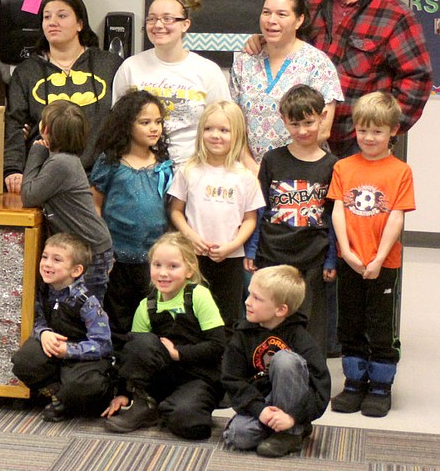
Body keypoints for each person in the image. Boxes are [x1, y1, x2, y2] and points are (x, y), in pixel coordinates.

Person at [245, 0, 432, 155]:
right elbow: (287, 44)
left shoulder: (395, 16)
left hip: (359, 141)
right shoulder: (312, 6)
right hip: (306, 137)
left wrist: (384, 129)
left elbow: (417, 78)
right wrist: (261, 40)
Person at [327, 92, 415, 418]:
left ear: (393, 131)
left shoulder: (400, 171)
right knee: (350, 321)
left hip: (383, 263)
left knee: (379, 324)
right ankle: (353, 382)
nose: (369, 137)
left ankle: (380, 385)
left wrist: (378, 257)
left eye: (377, 131)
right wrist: (347, 251)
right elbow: (338, 210)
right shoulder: (343, 167)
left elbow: (396, 216)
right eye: (363, 130)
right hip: (349, 259)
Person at [101, 233, 226, 439]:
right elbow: (133, 354)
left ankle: (178, 406)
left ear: (189, 270)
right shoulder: (146, 305)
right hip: (163, 377)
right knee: (139, 341)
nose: (163, 273)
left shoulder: (198, 296)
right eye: (157, 265)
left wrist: (178, 354)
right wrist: (123, 392)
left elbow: (217, 345)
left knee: (189, 424)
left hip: (198, 377)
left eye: (172, 266)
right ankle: (145, 404)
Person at [245, 85, 338, 354]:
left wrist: (331, 258)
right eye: (295, 124)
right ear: (283, 120)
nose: (302, 130)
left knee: (310, 326)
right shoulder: (273, 160)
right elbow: (259, 208)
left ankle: (310, 381)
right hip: (272, 254)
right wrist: (252, 249)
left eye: (309, 122)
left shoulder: (333, 165)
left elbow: (332, 218)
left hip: (313, 257)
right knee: (269, 319)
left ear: (322, 117)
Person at [5, 0, 122, 188]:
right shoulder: (26, 71)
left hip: (101, 178)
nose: (52, 22)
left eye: (62, 15)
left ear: (80, 24)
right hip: (44, 177)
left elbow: (123, 121)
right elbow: (14, 124)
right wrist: (12, 169)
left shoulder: (109, 65)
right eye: (46, 16)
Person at [168, 101, 263, 328]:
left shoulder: (245, 176)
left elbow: (250, 219)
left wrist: (234, 245)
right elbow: (176, 211)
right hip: (193, 257)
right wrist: (191, 237)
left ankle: (225, 361)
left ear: (237, 134)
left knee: (227, 315)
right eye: (209, 129)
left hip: (230, 257)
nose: (215, 135)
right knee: (192, 313)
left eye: (224, 130)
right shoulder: (188, 170)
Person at [89, 91, 174, 340]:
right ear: (126, 125)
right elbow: (95, 207)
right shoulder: (111, 163)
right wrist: (101, 250)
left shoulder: (164, 165)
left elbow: (170, 210)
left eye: (158, 122)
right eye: (145, 122)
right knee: (117, 317)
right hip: (117, 258)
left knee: (150, 316)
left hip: (153, 259)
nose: (154, 128)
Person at [222, 265, 330, 458]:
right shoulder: (242, 335)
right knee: (238, 435)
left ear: (281, 310)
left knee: (284, 360)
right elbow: (232, 379)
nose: (247, 302)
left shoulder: (301, 338)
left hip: (293, 405)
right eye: (249, 295)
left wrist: (292, 416)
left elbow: (321, 388)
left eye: (257, 298)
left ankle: (290, 431)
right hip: (263, 402)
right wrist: (260, 410)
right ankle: (285, 428)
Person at [112, 0, 230, 164]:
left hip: (193, 169)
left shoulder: (208, 71)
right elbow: (118, 125)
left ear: (185, 24)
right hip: (141, 171)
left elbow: (225, 124)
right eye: (152, 19)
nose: (158, 25)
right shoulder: (130, 67)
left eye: (167, 19)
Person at [230, 0, 342, 165]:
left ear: (299, 20)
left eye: (281, 14)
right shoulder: (245, 61)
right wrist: (253, 168)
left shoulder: (317, 63)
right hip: (249, 173)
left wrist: (282, 170)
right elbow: (233, 123)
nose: (271, 20)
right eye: (266, 12)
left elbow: (323, 130)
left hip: (301, 170)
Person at [10, 233, 114, 422]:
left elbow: (103, 345)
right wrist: (44, 334)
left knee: (84, 386)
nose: (47, 264)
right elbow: (39, 320)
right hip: (55, 350)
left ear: (76, 271)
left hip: (83, 358)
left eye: (57, 260)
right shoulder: (44, 289)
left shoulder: (87, 302)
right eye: (45, 257)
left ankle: (72, 398)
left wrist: (69, 350)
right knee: (24, 360)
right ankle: (60, 397)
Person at [20, 101, 114, 303]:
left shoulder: (60, 163)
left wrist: (36, 152)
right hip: (89, 246)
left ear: (44, 130)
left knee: (87, 310)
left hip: (90, 250)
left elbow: (28, 195)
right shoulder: (64, 160)